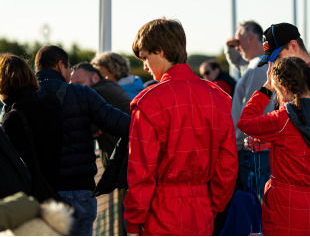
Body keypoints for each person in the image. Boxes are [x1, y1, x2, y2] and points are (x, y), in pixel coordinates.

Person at [124, 18, 237, 236]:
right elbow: (228, 166)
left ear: (161, 51)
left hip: (160, 214)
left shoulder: (149, 102)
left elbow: (140, 172)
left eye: (146, 57)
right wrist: (212, 206)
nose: (144, 66)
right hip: (202, 213)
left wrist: (132, 224)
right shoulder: (218, 98)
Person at [237, 57, 310, 235]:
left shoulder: (282, 119)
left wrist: (266, 88)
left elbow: (245, 121)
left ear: (283, 89)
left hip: (284, 208)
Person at [34, 45, 131, 236]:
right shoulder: (81, 93)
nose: (70, 74)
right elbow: (123, 125)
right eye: (69, 68)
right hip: (79, 190)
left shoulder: (24, 97)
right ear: (61, 65)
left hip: (41, 193)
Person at [0, 53, 62, 203]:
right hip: (56, 189)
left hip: (31, 199)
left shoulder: (12, 118)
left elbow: (17, 169)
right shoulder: (51, 103)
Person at [227, 21, 274, 194]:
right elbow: (238, 62)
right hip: (259, 149)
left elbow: (248, 114)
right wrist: (230, 48)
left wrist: (236, 146)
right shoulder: (263, 64)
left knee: (253, 210)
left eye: (238, 42)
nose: (237, 47)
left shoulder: (256, 69)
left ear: (250, 38)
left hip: (251, 151)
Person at [70, 62, 131, 167]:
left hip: (122, 158)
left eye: (79, 83)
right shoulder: (109, 85)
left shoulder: (97, 92)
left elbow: (78, 127)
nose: (75, 89)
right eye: (72, 85)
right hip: (126, 153)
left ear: (95, 77)